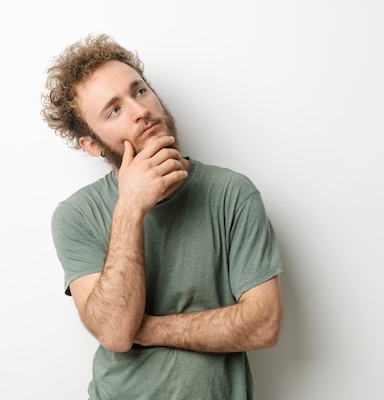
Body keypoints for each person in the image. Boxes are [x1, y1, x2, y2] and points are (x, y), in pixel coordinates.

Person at [40, 34, 284, 400]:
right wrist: (130, 208)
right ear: (91, 144)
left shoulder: (232, 193)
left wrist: (149, 329)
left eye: (139, 91)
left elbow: (264, 325)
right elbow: (115, 332)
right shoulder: (76, 216)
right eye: (114, 110)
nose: (140, 110)